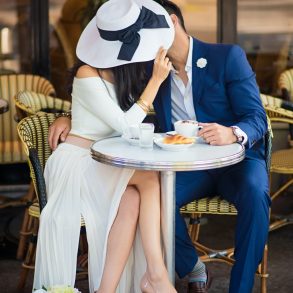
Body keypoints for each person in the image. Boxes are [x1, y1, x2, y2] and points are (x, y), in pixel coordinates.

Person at [49, 1, 271, 292]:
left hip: (236, 162)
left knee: (256, 191)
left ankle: (241, 288)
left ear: (172, 22)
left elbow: (256, 116)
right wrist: (68, 116)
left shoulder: (227, 56)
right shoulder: (150, 69)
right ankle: (192, 267)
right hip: (184, 164)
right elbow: (107, 101)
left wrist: (233, 132)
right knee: (155, 196)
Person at [33, 0, 177, 292]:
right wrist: (155, 83)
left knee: (133, 200)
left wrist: (70, 115)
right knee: (150, 178)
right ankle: (157, 275)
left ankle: (106, 289)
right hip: (75, 163)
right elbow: (126, 126)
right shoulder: (88, 73)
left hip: (101, 161)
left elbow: (119, 123)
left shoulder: (123, 74)